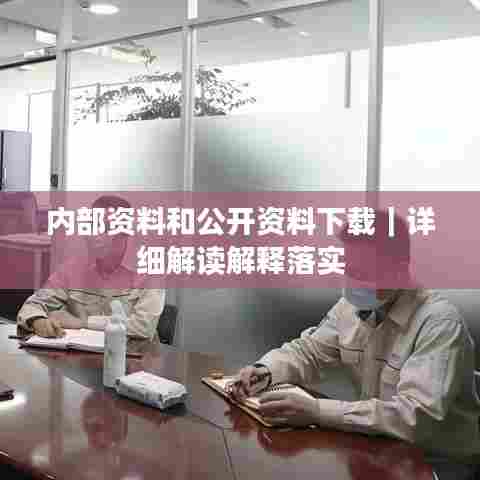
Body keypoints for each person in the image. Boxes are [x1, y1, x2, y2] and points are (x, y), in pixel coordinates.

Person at [230, 210, 480, 480]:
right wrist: (266, 370)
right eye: (349, 269)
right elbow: (309, 352)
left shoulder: (439, 322)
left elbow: (414, 416)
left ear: (400, 269)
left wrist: (317, 411)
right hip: (381, 446)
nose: (354, 282)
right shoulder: (351, 306)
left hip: (438, 460)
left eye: (365, 272)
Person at [17, 195, 165, 340]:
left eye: (106, 228)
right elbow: (34, 305)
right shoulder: (72, 269)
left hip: (132, 354)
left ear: (126, 234)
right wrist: (38, 321)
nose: (96, 235)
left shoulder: (149, 271)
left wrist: (83, 323)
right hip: (78, 352)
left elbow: (143, 328)